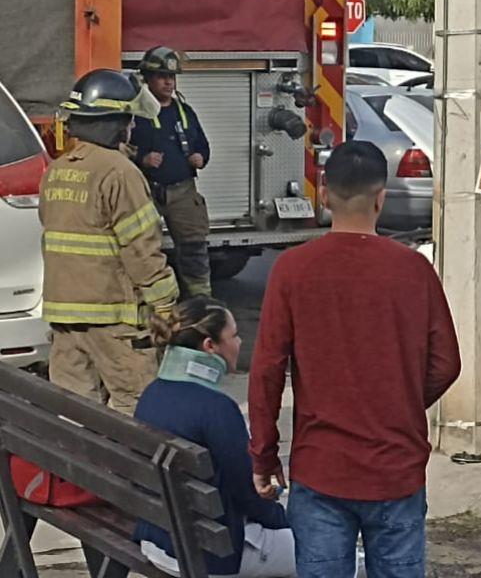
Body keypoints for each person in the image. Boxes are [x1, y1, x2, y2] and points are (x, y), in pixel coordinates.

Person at [248, 140, 461, 578]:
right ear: (381, 198)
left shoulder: (292, 270)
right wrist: (397, 404)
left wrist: (264, 457)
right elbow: (446, 363)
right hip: (395, 469)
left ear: (324, 195)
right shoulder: (413, 269)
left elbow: (267, 371)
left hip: (321, 466)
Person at [40, 69, 179, 414]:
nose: (131, 129)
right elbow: (142, 250)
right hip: (114, 323)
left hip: (64, 322)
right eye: (128, 121)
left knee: (75, 418)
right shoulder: (119, 172)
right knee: (136, 414)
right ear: (114, 123)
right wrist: (165, 307)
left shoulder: (56, 170)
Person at [135, 297, 293, 578]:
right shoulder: (216, 409)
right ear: (210, 346)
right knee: (329, 554)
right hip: (212, 554)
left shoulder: (152, 393)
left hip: (157, 541)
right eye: (234, 335)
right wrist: (284, 520)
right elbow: (250, 495)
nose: (240, 342)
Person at [129, 46, 213, 298]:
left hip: (183, 192)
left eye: (172, 77)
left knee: (194, 250)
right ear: (148, 79)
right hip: (146, 193)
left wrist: (201, 157)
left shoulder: (184, 112)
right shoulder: (134, 115)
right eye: (162, 76)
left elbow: (203, 145)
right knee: (142, 251)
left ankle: (202, 304)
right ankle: (148, 305)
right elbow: (119, 152)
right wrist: (142, 158)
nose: (169, 82)